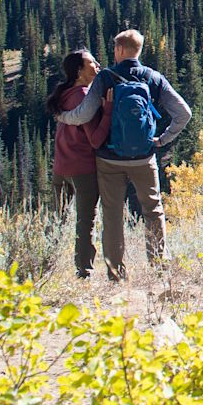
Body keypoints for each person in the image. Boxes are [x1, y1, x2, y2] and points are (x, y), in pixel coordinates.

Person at [55, 29, 191, 281]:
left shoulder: (106, 78)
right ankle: (158, 265)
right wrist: (162, 139)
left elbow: (83, 115)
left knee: (112, 214)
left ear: (118, 50)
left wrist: (63, 117)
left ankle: (116, 274)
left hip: (109, 159)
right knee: (153, 210)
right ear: (139, 50)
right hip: (144, 156)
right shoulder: (152, 77)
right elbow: (184, 113)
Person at [46, 49, 113, 278]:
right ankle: (84, 270)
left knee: (57, 217)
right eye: (91, 62)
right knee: (86, 221)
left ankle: (47, 265)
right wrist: (108, 113)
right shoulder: (85, 96)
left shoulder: (64, 94)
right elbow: (95, 140)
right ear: (79, 70)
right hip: (82, 169)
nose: (97, 65)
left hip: (60, 167)